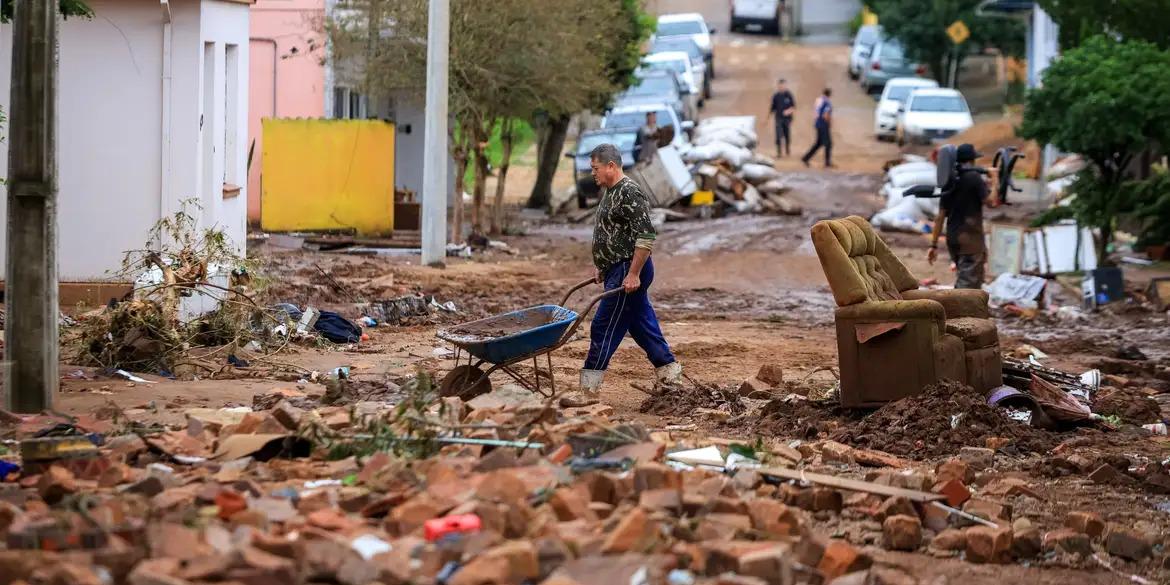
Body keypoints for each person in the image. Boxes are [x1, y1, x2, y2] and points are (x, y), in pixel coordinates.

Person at [565, 143, 682, 407]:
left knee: (603, 326)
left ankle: (588, 392)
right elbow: (613, 233)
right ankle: (670, 377)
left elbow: (646, 236)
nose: (592, 173)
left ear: (611, 166)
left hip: (629, 270)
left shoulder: (629, 192)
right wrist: (602, 265)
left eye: (595, 168)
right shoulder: (610, 192)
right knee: (642, 325)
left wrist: (633, 274)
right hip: (616, 269)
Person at [928, 143, 999, 288]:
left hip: (954, 239)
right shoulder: (974, 178)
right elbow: (991, 202)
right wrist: (995, 179)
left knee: (969, 279)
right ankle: (956, 310)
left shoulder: (949, 181)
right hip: (971, 240)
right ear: (972, 160)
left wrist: (933, 245)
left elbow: (940, 217)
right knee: (966, 287)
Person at [801, 88, 833, 168]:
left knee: (819, 143)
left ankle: (806, 158)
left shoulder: (818, 100)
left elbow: (816, 111)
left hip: (817, 124)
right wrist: (829, 123)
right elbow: (825, 115)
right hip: (823, 125)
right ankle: (827, 163)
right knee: (828, 144)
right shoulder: (827, 102)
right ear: (829, 95)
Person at [767, 78, 796, 157]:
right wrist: (768, 116)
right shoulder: (776, 96)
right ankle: (779, 152)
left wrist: (788, 111)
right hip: (778, 118)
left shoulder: (789, 94)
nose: (782, 87)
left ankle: (787, 149)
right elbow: (772, 107)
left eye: (783, 85)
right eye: (780, 85)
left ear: (785, 85)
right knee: (778, 134)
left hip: (787, 119)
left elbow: (793, 106)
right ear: (778, 86)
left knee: (787, 135)